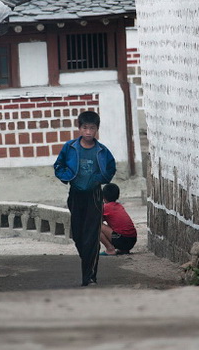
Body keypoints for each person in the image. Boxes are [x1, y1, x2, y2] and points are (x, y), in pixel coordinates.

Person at [54, 110, 116, 286]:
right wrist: (67, 176)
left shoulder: (102, 151)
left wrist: (100, 178)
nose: (88, 132)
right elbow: (58, 165)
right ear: (79, 128)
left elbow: (111, 168)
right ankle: (89, 257)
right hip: (75, 195)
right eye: (85, 128)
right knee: (78, 235)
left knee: (91, 235)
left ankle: (89, 276)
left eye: (92, 128)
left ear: (97, 130)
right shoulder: (70, 147)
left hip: (94, 196)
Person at [99, 183, 137, 256]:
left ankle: (110, 249)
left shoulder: (106, 207)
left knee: (95, 225)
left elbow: (95, 219)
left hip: (122, 240)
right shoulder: (119, 206)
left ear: (103, 197)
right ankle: (123, 250)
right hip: (132, 240)